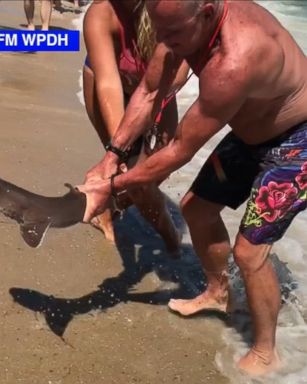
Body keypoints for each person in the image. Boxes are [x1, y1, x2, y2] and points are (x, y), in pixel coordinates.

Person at [78, 0, 307, 376]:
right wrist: (110, 158)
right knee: (196, 210)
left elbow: (179, 150)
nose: (164, 43)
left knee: (249, 252)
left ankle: (267, 352)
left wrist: (111, 186)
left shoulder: (236, 58)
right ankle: (218, 293)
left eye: (172, 33)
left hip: (298, 144)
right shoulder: (180, 28)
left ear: (207, 11)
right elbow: (150, 91)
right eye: (160, 31)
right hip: (252, 135)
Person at [82, 0, 189, 253]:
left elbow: (179, 76)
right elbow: (108, 84)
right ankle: (171, 238)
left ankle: (108, 205)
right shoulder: (102, 12)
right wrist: (118, 150)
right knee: (133, 175)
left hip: (159, 91)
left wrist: (149, 113)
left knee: (158, 170)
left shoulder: (172, 9)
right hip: (110, 87)